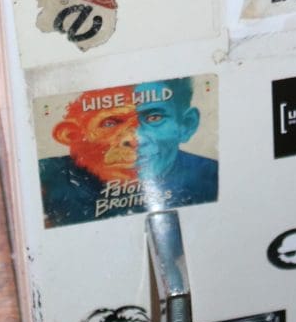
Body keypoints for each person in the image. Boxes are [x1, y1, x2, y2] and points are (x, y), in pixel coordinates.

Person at [40, 76, 218, 225]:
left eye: (154, 117)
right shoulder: (44, 184)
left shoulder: (211, 178)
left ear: (186, 126)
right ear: (72, 135)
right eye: (110, 123)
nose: (134, 138)